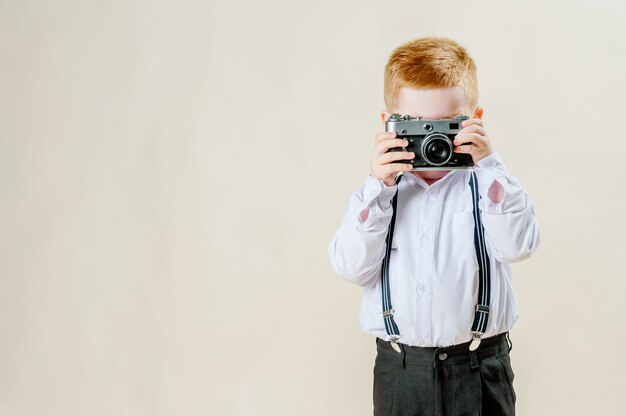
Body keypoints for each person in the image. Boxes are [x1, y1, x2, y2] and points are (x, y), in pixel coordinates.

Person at [327, 37, 540, 416]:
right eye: (416, 126)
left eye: (446, 125)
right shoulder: (377, 197)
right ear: (387, 124)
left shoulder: (491, 188)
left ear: (475, 120)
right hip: (401, 371)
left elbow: (518, 245)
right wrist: (378, 187)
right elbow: (351, 267)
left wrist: (490, 164)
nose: (432, 140)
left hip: (480, 368)